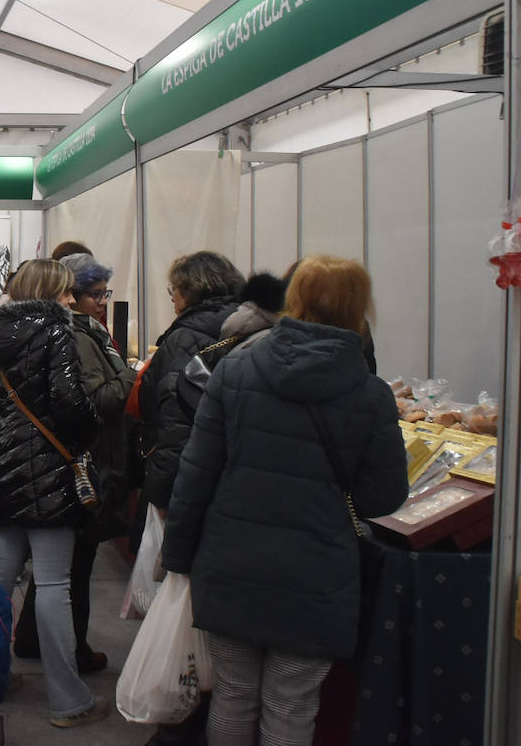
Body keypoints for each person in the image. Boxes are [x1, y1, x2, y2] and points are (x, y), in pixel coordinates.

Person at [161, 256, 409, 746]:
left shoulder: (235, 369)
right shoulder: (370, 393)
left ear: (293, 298)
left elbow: (196, 472)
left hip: (230, 560)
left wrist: (178, 556)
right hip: (318, 573)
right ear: (361, 309)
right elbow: (384, 496)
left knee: (232, 694)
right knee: (291, 706)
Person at [0, 259, 106, 728]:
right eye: (66, 292)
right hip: (51, 476)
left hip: (0, 478)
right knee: (53, 585)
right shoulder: (56, 333)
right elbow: (72, 405)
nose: (73, 300)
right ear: (48, 293)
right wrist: (94, 429)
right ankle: (69, 701)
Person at [11, 252, 133, 675]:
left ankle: (27, 643)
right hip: (64, 468)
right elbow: (88, 407)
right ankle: (68, 673)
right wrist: (129, 374)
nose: (101, 302)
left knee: (39, 574)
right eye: (91, 294)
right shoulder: (71, 339)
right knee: (66, 575)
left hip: (24, 475)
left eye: (104, 294)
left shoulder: (19, 338)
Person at [138, 250, 244, 513]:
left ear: (188, 292)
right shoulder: (252, 327)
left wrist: (160, 492)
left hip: (191, 479)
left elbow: (176, 424)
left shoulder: (186, 338)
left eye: (173, 291)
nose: (172, 299)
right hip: (238, 474)